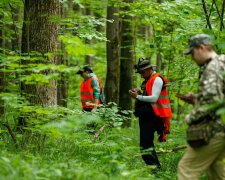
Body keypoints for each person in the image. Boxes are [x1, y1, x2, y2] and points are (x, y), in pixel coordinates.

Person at [177, 34, 225, 179]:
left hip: (215, 130)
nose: (192, 57)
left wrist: (190, 117)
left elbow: (211, 101)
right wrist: (198, 99)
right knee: (218, 171)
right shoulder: (222, 63)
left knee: (187, 170)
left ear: (201, 48)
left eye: (192, 53)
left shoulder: (212, 68)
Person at [129, 58, 172, 169]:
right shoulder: (148, 80)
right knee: (145, 145)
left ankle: (156, 170)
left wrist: (137, 96)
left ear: (149, 69)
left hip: (154, 116)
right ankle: (155, 169)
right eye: (140, 73)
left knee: (145, 146)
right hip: (147, 115)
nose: (142, 75)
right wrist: (139, 93)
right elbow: (148, 95)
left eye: (143, 72)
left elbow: (154, 98)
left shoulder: (157, 79)